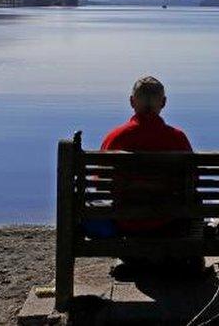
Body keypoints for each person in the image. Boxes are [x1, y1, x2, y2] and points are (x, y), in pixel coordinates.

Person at [84, 76, 202, 277]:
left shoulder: (115, 138)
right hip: (169, 223)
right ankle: (171, 259)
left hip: (125, 223)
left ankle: (137, 259)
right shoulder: (177, 138)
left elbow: (99, 184)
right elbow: (193, 182)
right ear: (163, 103)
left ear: (132, 101)